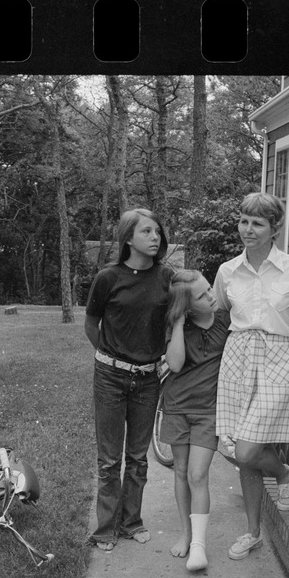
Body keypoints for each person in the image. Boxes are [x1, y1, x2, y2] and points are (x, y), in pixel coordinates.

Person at [214, 192, 289, 560]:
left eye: (257, 223)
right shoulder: (227, 271)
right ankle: (252, 533)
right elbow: (219, 312)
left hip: (280, 357)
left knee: (247, 449)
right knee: (239, 451)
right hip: (237, 357)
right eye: (243, 221)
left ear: (275, 228)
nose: (247, 230)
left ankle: (283, 474)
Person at [84, 208, 174, 552]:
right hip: (109, 378)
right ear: (128, 239)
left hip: (148, 381)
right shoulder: (108, 278)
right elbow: (92, 326)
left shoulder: (167, 278)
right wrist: (113, 356)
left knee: (138, 458)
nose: (155, 237)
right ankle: (106, 528)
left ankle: (131, 521)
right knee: (109, 460)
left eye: (157, 232)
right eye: (147, 232)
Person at [161, 269, 231, 571]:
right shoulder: (177, 326)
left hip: (208, 411)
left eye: (209, 289)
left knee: (197, 475)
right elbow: (174, 364)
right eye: (203, 295)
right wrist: (178, 321)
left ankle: (200, 546)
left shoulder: (226, 321)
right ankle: (186, 534)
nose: (212, 295)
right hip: (177, 407)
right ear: (187, 306)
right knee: (180, 472)